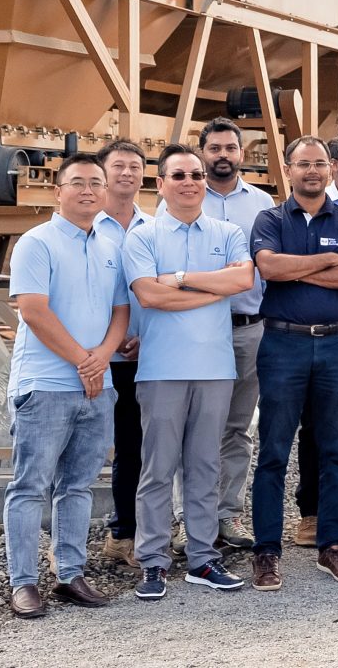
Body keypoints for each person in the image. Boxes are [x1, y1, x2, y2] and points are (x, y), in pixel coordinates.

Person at [3, 152, 131, 619]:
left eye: (96, 182)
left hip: (97, 386)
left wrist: (101, 359)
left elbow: (121, 311)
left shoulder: (110, 246)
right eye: (77, 182)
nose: (87, 190)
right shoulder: (37, 242)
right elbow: (33, 311)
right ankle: (23, 582)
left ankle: (71, 574)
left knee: (78, 485)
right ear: (58, 191)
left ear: (105, 191)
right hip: (45, 386)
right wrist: (84, 361)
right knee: (30, 485)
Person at [123, 144, 254, 600]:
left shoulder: (227, 231)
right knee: (158, 469)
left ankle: (202, 558)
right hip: (162, 368)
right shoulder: (142, 236)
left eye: (196, 175)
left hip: (215, 368)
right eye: (178, 175)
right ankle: (153, 561)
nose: (190, 182)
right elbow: (149, 296)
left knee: (204, 466)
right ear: (160, 184)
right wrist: (213, 287)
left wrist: (178, 278)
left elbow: (242, 281)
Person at [248, 135, 338, 590]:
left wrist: (298, 268)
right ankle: (266, 550)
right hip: (284, 345)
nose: (313, 171)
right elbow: (269, 268)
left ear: (330, 168)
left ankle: (332, 545)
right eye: (303, 164)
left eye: (319, 163)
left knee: (335, 450)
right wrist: (325, 261)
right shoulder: (270, 218)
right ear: (289, 170)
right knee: (274, 451)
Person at [197, 119, 275, 551]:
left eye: (230, 147)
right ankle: (189, 518)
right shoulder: (185, 197)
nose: (223, 155)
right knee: (194, 425)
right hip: (198, 329)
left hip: (249, 329)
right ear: (203, 152)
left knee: (238, 428)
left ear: (242, 154)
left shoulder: (262, 203)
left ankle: (228, 514)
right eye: (215, 148)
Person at [93, 139, 148, 571]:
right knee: (83, 451)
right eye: (118, 166)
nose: (127, 173)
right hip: (93, 359)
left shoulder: (154, 227)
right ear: (103, 173)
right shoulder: (87, 227)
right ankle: (64, 547)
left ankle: (124, 535)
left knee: (134, 448)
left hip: (141, 357)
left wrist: (146, 336)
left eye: (134, 166)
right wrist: (107, 345)